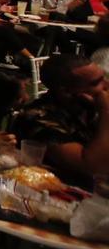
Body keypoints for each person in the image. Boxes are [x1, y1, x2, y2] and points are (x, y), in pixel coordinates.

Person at [9, 53, 109, 188]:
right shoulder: (38, 117)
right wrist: (107, 112)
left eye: (104, 78)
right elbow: (92, 168)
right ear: (66, 91)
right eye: (96, 83)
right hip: (50, 193)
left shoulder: (87, 109)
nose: (107, 85)